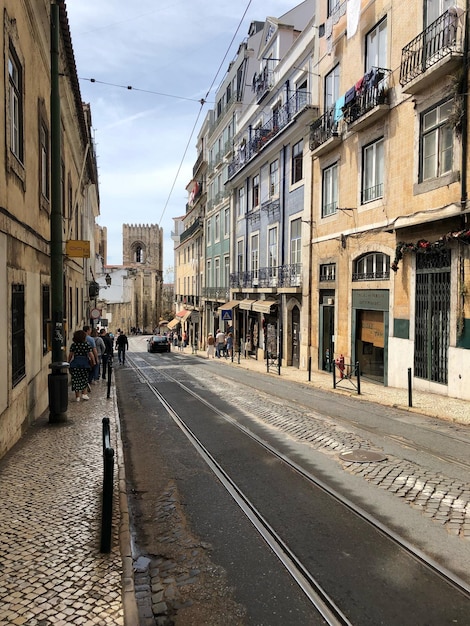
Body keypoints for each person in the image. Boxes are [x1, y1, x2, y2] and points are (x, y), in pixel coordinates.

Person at [68, 329, 94, 401]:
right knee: (84, 379)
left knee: (76, 379)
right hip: (84, 364)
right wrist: (93, 362)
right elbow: (91, 355)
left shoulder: (73, 345)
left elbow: (70, 355)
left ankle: (77, 397)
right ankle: (84, 394)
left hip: (75, 364)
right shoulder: (86, 345)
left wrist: (68, 362)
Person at [83, 326, 99, 390]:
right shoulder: (90, 339)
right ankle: (87, 383)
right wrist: (96, 359)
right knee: (90, 371)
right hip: (88, 358)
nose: (90, 331)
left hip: (79, 358)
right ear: (87, 331)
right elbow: (93, 350)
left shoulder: (79, 338)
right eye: (90, 330)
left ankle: (84, 384)